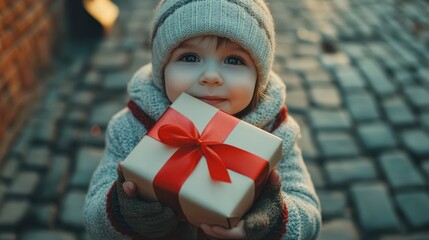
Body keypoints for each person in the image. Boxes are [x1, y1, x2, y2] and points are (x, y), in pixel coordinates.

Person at [84, 0, 321, 239]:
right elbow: (94, 219)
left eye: (234, 60)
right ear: (162, 68)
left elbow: (310, 216)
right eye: (189, 58)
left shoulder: (277, 132)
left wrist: (274, 221)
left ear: (259, 76)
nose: (210, 77)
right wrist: (124, 212)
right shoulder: (131, 128)